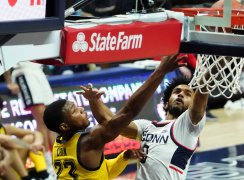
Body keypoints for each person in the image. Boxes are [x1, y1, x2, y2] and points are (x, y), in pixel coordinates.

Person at [43, 55, 185, 179]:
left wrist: (123, 157)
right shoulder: (90, 140)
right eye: (74, 111)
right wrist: (160, 71)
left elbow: (100, 173)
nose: (81, 108)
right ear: (64, 126)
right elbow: (129, 111)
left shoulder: (59, 144)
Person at [4, 62, 56, 161]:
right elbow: (3, 54)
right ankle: (47, 160)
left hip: (39, 71)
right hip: (24, 72)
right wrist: (9, 81)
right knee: (42, 120)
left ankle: (57, 157)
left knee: (50, 119)